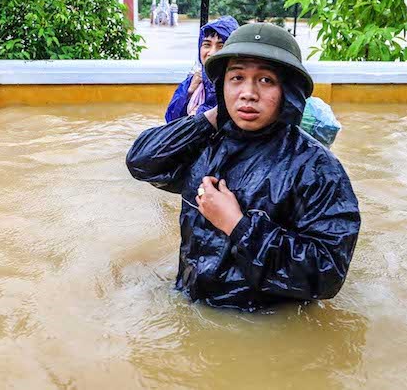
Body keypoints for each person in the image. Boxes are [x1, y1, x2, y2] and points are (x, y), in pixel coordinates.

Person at [127, 23, 360, 311]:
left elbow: (326, 274)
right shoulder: (205, 143)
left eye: (265, 80)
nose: (248, 93)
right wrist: (212, 117)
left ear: (288, 90)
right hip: (192, 305)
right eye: (236, 78)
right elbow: (142, 162)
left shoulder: (317, 168)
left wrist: (237, 226)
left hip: (263, 326)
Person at [165, 16, 239, 123]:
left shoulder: (239, 83)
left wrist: (198, 112)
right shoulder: (194, 80)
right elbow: (171, 120)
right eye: (207, 45)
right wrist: (189, 93)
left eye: (221, 46)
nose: (212, 53)